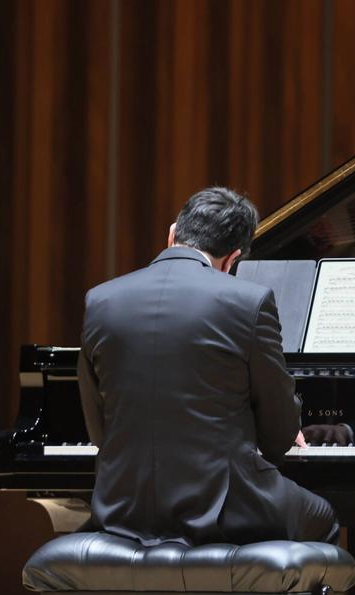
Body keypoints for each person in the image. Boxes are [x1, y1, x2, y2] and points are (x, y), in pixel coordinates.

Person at [76, 186, 338, 547]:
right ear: (232, 260)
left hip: (123, 510)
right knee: (323, 518)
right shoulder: (249, 302)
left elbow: (99, 432)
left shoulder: (100, 300)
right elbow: (278, 440)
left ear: (172, 234)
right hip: (225, 512)